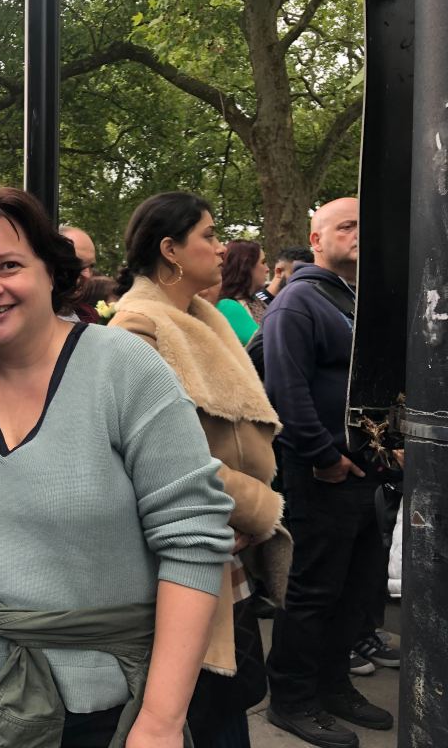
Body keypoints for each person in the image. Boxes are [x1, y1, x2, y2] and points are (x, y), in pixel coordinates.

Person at [0, 188, 235, 748]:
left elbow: (195, 540)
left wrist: (160, 721)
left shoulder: (124, 368)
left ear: (50, 270)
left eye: (9, 265)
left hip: (109, 712)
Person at [109, 192, 290, 747]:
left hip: (226, 545)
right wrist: (258, 508)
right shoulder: (138, 330)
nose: (221, 247)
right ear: (170, 250)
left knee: (228, 705)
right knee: (203, 715)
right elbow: (164, 460)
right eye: (209, 235)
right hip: (192, 550)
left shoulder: (199, 319)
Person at [263, 197, 393, 747]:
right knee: (314, 590)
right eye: (346, 226)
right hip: (324, 474)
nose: (358, 233)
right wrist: (323, 456)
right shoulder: (299, 301)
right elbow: (285, 389)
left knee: (355, 590)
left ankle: (334, 686)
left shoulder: (358, 300)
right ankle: (291, 699)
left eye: (366, 224)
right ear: (316, 240)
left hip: (366, 473)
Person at [216, 240, 270, 344]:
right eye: (263, 262)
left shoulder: (257, 301)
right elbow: (264, 347)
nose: (267, 269)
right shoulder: (228, 306)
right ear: (246, 266)